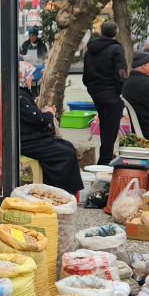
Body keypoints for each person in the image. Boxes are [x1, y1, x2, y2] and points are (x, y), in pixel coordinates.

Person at [18, 62, 84, 193]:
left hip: (32, 138)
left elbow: (32, 116)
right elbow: (38, 119)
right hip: (29, 142)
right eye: (30, 75)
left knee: (68, 146)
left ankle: (67, 190)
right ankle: (60, 190)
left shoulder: (21, 94)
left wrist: (45, 112)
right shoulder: (20, 97)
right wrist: (49, 114)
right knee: (66, 153)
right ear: (23, 76)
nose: (32, 78)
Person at [82, 20, 127, 165]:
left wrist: (91, 88)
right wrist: (121, 90)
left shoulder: (90, 49)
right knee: (111, 127)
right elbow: (121, 73)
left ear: (101, 32)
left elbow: (86, 74)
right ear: (116, 34)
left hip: (96, 91)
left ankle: (106, 155)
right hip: (111, 92)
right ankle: (105, 160)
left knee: (105, 124)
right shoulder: (116, 49)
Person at [20, 26, 48, 93]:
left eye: (33, 36)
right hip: (28, 68)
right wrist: (23, 56)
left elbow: (44, 56)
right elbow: (21, 54)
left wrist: (38, 60)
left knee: (36, 86)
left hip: (38, 69)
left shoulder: (41, 45)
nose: (31, 38)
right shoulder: (25, 44)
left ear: (36, 36)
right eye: (30, 36)